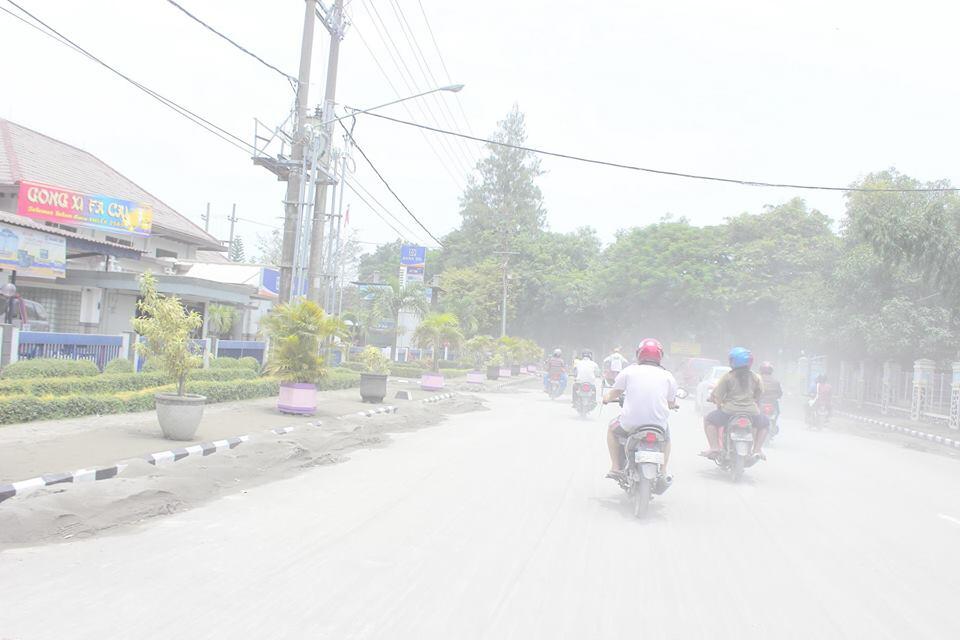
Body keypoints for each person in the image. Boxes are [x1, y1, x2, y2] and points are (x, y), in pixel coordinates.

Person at [602, 338, 678, 481]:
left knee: (612, 429)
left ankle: (615, 466)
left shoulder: (629, 371)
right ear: (660, 356)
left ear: (639, 354)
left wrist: (606, 398)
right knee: (666, 439)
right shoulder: (668, 376)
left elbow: (615, 393)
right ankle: (663, 470)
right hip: (658, 425)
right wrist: (672, 405)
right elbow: (671, 402)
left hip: (630, 424)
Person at [702, 347, 770, 460]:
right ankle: (757, 449)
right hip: (752, 413)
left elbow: (718, 396)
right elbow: (759, 393)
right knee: (765, 424)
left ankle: (714, 448)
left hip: (729, 412)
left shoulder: (728, 377)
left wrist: (719, 406)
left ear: (732, 361)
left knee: (708, 419)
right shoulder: (755, 377)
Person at [758, 361, 783, 425]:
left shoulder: (757, 379)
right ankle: (774, 423)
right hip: (772, 402)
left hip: (761, 402)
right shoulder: (776, 381)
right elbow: (780, 393)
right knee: (777, 412)